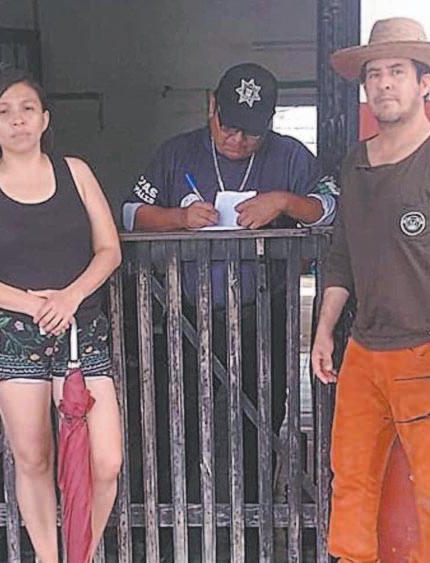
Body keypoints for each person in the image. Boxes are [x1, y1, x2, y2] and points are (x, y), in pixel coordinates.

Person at [312, 17, 430, 562]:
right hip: (363, 352)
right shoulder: (355, 162)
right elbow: (342, 255)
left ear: (425, 82)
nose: (383, 84)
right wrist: (324, 330)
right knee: (349, 480)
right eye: (374, 74)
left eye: (397, 71)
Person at [121, 63, 336, 512]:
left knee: (258, 421)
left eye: (251, 133)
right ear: (211, 106)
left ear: (270, 122)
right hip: (183, 312)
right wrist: (179, 218)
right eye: (229, 127)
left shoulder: (289, 156)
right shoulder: (178, 152)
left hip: (264, 314)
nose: (237, 141)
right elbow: (130, 214)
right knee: (177, 420)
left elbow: (332, 208)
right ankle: (178, 521)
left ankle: (252, 520)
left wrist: (284, 202)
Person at [0, 65, 122, 562]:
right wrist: (34, 304)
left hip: (79, 329)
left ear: (45, 118)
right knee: (34, 456)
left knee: (106, 459)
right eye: (4, 112)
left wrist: (69, 298)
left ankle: (80, 554)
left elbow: (109, 250)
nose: (18, 120)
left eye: (27, 109)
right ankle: (49, 557)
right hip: (11, 334)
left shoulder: (76, 173)